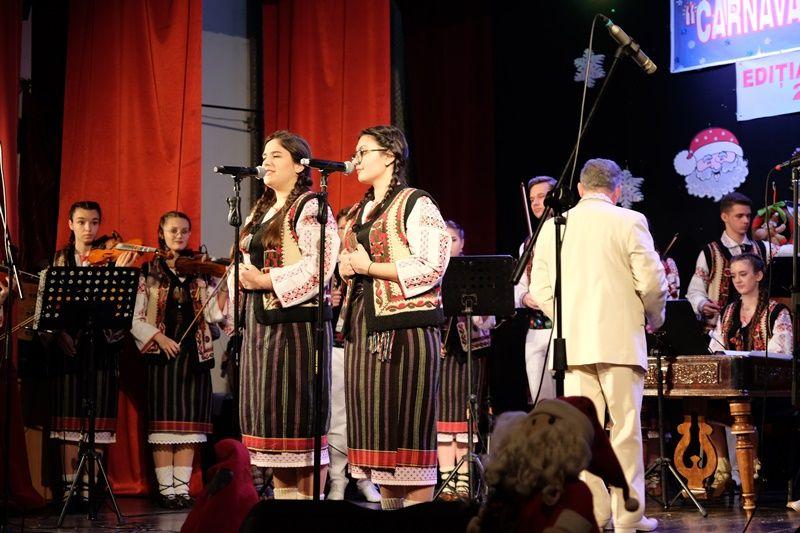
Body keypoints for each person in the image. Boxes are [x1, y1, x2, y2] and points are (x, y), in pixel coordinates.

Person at [530, 158, 667, 532]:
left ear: (579, 189)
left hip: (573, 343)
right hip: (620, 340)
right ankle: (628, 518)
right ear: (617, 190)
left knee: (584, 433)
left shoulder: (555, 226)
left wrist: (565, 318)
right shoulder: (629, 220)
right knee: (625, 430)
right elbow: (652, 282)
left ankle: (595, 513)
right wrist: (655, 318)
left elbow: (539, 287)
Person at [338, 125, 450, 509]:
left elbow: (432, 266)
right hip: (365, 327)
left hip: (406, 330)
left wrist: (369, 268)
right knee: (380, 438)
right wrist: (348, 267)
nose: (356, 159)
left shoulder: (415, 202)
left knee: (408, 434)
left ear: (389, 156)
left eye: (363, 151)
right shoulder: (361, 209)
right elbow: (356, 262)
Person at [235, 130, 339, 500]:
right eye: (264, 155)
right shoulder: (261, 210)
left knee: (298, 425)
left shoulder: (310, 207)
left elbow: (318, 266)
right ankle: (285, 509)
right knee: (275, 431)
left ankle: (307, 511)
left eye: (276, 155)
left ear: (298, 165)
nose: (266, 162)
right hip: (262, 328)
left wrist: (265, 281)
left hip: (297, 330)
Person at [131, 211, 227, 508]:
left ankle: (182, 489)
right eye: (173, 230)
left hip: (194, 356)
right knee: (164, 426)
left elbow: (214, 316)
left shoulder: (200, 270)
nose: (179, 236)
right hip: (162, 354)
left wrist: (223, 284)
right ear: (162, 232)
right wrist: (159, 338)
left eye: (185, 231)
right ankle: (166, 489)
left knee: (188, 426)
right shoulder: (149, 270)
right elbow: (135, 317)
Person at [48, 200, 138, 502]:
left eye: (94, 222)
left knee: (97, 418)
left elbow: (120, 309)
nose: (89, 228)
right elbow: (49, 304)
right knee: (68, 417)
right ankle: (68, 487)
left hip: (101, 346)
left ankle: (88, 487)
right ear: (70, 224)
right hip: (69, 346)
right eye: (82, 222)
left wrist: (120, 276)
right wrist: (59, 333)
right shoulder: (60, 259)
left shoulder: (110, 259)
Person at [706, 253, 792, 495]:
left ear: (759, 275)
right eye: (733, 275)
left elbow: (782, 353)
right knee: (705, 403)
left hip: (767, 388)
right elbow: (716, 346)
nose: (737, 280)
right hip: (735, 383)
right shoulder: (729, 311)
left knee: (744, 406)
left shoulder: (776, 312)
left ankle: (753, 468)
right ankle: (722, 468)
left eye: (743, 274)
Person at [436, 219, 494, 500]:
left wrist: (482, 315)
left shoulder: (474, 273)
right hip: (442, 354)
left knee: (465, 417)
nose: (449, 245)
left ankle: (463, 480)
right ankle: (447, 478)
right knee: (444, 419)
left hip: (471, 352)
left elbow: (490, 315)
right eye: (444, 240)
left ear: (462, 243)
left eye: (454, 240)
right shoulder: (432, 272)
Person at [326, 205, 381, 502]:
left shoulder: (368, 264)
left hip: (365, 347)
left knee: (367, 416)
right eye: (342, 228)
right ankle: (337, 479)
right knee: (338, 418)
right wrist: (328, 302)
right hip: (337, 348)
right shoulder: (328, 267)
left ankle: (364, 478)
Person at [686, 192, 770, 330]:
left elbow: (793, 251)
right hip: (718, 330)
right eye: (739, 216)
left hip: (754, 329)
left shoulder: (762, 248)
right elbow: (695, 291)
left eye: (748, 216)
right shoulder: (710, 252)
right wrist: (702, 304)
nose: (746, 221)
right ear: (724, 217)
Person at [513, 176, 557, 405]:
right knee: (541, 398)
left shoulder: (567, 233)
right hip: (536, 327)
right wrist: (524, 297)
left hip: (562, 328)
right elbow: (520, 284)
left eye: (541, 197)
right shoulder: (527, 244)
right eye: (532, 199)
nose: (536, 203)